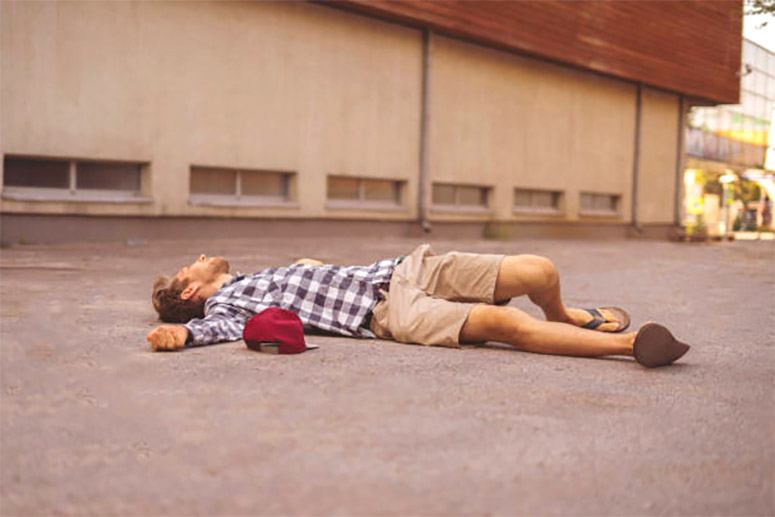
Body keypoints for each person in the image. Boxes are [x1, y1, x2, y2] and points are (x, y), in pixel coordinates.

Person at [147, 244, 690, 368]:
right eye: (187, 269)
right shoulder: (231, 305)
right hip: (387, 317)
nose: (196, 260)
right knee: (504, 322)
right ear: (191, 292)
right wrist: (182, 336)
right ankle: (631, 344)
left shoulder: (260, 274)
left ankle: (563, 313)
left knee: (538, 272)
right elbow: (217, 330)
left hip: (404, 270)